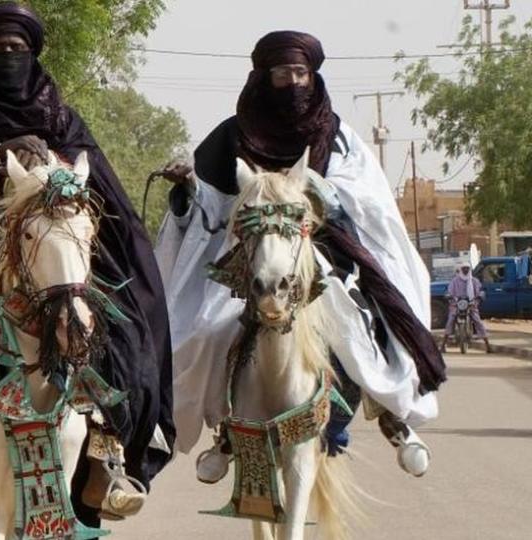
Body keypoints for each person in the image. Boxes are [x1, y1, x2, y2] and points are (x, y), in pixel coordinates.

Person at [0, 1, 175, 529]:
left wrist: (55, 170)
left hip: (57, 240)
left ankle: (106, 455)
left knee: (119, 322)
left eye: (17, 49)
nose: (8, 57)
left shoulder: (60, 115)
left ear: (33, 55)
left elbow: (96, 181)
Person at [155, 31, 446, 483]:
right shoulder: (231, 136)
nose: (292, 82)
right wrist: (187, 189)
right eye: (282, 74)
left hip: (321, 250)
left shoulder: (337, 134)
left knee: (355, 323)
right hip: (247, 257)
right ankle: (226, 435)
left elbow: (367, 199)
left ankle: (391, 413)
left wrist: (321, 193)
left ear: (313, 75)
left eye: (300, 73)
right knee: (204, 332)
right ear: (263, 78)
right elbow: (209, 208)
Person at [443, 265, 490, 352]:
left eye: (467, 269)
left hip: (471, 305)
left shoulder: (474, 281)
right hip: (456, 305)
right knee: (450, 320)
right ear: (460, 269)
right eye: (463, 268)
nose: (465, 270)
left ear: (469, 270)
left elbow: (479, 290)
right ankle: (443, 345)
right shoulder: (455, 281)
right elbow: (450, 291)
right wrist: (449, 296)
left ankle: (488, 345)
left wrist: (479, 296)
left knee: (478, 322)